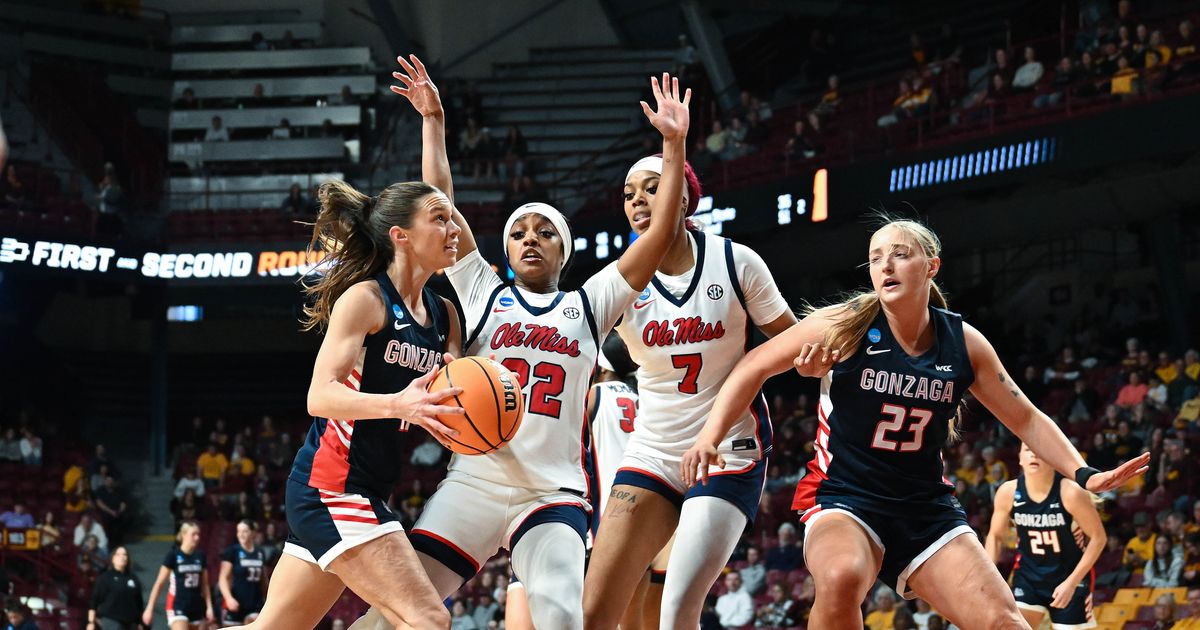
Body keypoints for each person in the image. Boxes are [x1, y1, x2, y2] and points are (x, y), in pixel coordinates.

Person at [679, 216, 1149, 629]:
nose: (885, 265)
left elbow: (1025, 416)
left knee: (1005, 622)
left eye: (900, 255)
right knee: (841, 578)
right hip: (844, 497)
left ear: (931, 266)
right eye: (876, 257)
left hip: (925, 509)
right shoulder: (846, 325)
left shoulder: (964, 342)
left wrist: (1085, 473)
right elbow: (753, 365)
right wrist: (709, 436)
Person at [354, 56, 689, 630]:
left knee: (562, 617)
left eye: (545, 233)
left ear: (565, 250)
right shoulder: (481, 288)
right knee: (397, 615)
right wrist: (433, 122)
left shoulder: (592, 303)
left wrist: (674, 148)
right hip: (476, 479)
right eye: (518, 232)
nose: (530, 240)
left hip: (552, 492)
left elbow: (658, 236)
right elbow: (440, 204)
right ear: (503, 251)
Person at [231, 111, 466, 628]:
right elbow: (320, 395)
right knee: (429, 619)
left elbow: (438, 193)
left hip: (363, 485)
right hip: (333, 485)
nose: (455, 230)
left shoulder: (444, 314)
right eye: (441, 220)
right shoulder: (365, 299)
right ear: (402, 236)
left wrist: (434, 122)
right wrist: (399, 403)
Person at [584, 76, 795, 630]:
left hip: (728, 447)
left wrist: (819, 357)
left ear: (681, 192)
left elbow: (790, 343)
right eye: (628, 194)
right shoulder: (620, 284)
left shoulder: (736, 262)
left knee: (676, 610)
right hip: (653, 448)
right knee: (594, 611)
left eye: (649, 188)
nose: (636, 202)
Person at [986, 443, 1107, 629]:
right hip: (1028, 576)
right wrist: (988, 576)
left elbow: (1099, 538)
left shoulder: (1071, 492)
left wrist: (1072, 583)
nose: (1034, 456)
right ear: (1020, 457)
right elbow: (995, 536)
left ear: (1051, 458)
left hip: (1069, 577)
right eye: (1028, 451)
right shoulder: (1008, 492)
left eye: (1040, 451)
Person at [143, 522, 214, 629]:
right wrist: (149, 608)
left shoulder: (200, 556)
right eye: (193, 534)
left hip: (196, 605)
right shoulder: (173, 555)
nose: (197, 537)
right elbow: (160, 583)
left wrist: (209, 607)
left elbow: (205, 584)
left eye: (198, 534)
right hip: (177, 604)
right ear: (184, 535)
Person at [219, 521, 267, 626]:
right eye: (238, 531)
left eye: (245, 531)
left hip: (254, 603)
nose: (241, 534)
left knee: (253, 624)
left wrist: (267, 599)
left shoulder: (260, 552)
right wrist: (229, 598)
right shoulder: (232, 551)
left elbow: (264, 580)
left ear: (253, 533)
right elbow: (223, 578)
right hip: (236, 601)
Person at [88, 546, 144, 630]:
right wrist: (91, 622)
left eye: (125, 554)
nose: (122, 557)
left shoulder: (133, 578)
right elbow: (94, 601)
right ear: (113, 559)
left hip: (131, 622)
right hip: (111, 620)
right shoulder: (105, 578)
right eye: (118, 554)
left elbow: (139, 602)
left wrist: (140, 622)